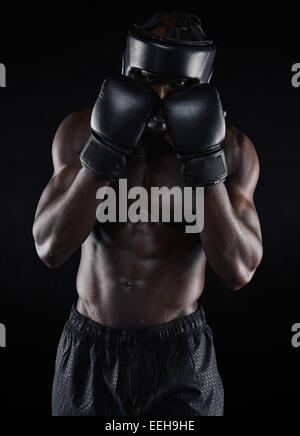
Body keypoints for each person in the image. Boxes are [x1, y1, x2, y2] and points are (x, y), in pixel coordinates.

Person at [33, 13, 263, 417]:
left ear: (202, 87)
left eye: (177, 86)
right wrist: (102, 154)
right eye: (147, 79)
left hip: (179, 354)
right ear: (126, 72)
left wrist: (204, 164)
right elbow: (50, 249)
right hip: (90, 349)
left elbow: (239, 272)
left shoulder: (233, 151)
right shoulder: (78, 131)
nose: (159, 96)